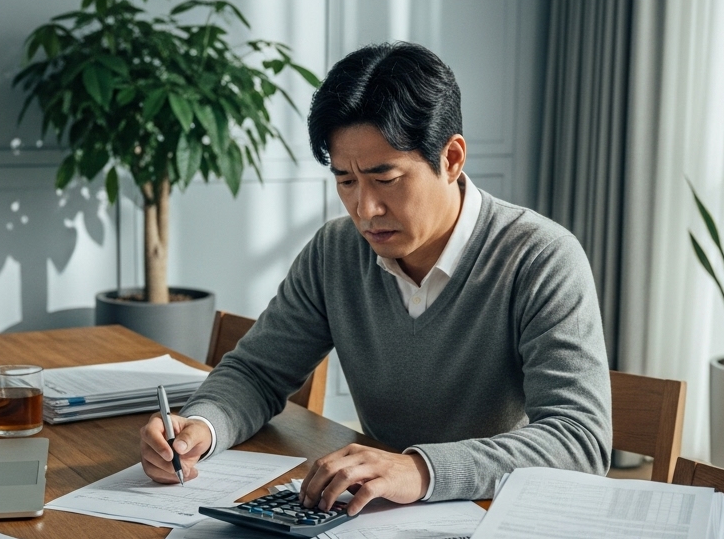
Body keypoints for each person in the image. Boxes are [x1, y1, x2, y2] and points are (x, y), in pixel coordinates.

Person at [139, 41, 611, 514]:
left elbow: (579, 441)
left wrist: (418, 470)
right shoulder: (336, 251)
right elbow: (257, 372)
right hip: (373, 517)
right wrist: (202, 426)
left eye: (386, 179)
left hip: (496, 516)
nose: (365, 210)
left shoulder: (540, 257)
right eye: (346, 180)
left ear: (451, 158)